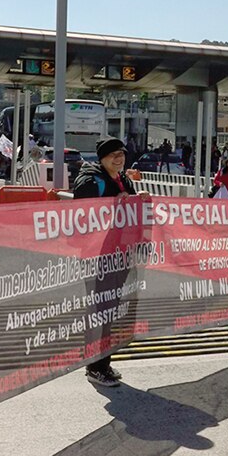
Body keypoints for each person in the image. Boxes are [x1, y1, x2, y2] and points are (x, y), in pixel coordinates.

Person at [71, 137, 148, 387]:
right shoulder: (91, 179)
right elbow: (82, 208)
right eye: (113, 155)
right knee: (99, 310)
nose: (119, 159)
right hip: (98, 256)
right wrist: (114, 202)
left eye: (121, 154)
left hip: (121, 255)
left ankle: (104, 363)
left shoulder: (123, 178)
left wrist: (138, 198)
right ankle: (94, 366)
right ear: (102, 158)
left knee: (111, 309)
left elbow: (132, 211)